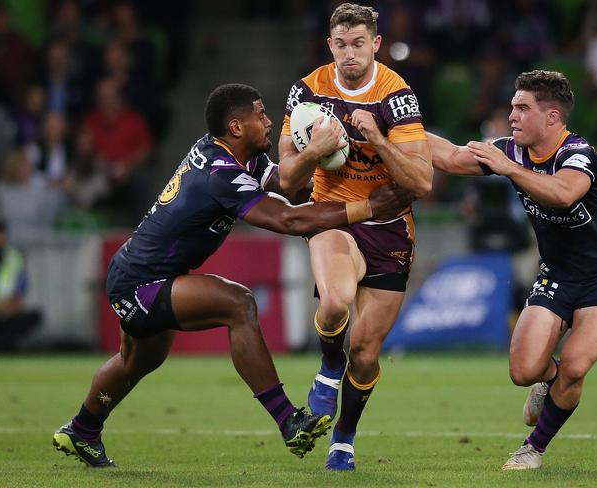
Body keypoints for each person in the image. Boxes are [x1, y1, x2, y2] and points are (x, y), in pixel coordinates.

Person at [52, 83, 412, 468]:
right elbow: (287, 218)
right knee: (238, 304)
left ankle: (82, 429)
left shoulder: (239, 156)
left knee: (136, 361)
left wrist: (344, 168)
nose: (270, 121)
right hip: (140, 282)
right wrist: (366, 207)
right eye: (261, 115)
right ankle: (288, 419)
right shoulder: (220, 173)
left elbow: (291, 190)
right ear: (237, 127)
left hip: (143, 273)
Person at [427, 70, 597, 470]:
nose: (512, 117)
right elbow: (451, 157)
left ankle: (532, 449)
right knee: (523, 371)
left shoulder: (578, 154)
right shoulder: (514, 151)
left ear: (552, 117)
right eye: (512, 108)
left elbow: (562, 193)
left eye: (522, 108)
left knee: (575, 367)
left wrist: (508, 169)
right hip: (556, 273)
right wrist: (394, 130)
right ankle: (549, 381)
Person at [277, 3, 432, 471]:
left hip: (389, 226)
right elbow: (286, 179)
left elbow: (422, 182)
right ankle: (328, 366)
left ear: (375, 44)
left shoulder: (396, 96)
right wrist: (317, 152)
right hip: (334, 214)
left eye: (358, 44)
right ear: (330, 45)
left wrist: (380, 140)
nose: (349, 53)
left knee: (365, 353)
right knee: (335, 302)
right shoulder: (306, 93)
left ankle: (344, 436)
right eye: (341, 45)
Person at [0, 219, 42, 352]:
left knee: (36, 316)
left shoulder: (14, 257)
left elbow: (20, 290)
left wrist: (10, 307)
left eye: (1, 234)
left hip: (7, 311)